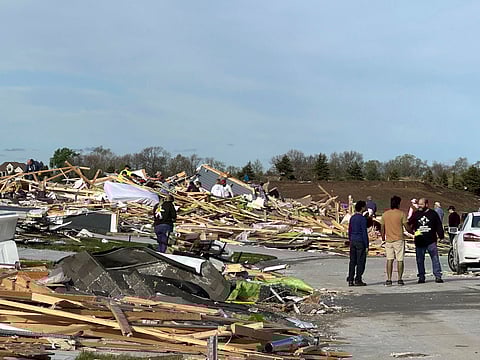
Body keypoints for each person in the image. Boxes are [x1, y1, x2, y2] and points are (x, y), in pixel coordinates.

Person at [408, 198, 445, 284]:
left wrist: (441, 235)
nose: (419, 206)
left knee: (435, 258)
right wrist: (411, 231)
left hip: (431, 240)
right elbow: (409, 223)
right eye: (419, 204)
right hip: (420, 240)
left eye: (421, 204)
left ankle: (438, 276)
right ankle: (421, 277)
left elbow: (438, 225)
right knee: (420, 260)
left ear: (426, 204)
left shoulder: (433, 214)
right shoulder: (416, 214)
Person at [380, 196, 410, 286]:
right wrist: (413, 231)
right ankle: (400, 279)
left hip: (389, 240)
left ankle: (389, 279)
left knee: (389, 259)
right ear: (398, 204)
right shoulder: (401, 214)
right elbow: (407, 227)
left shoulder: (385, 214)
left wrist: (383, 238)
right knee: (400, 260)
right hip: (399, 239)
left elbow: (382, 227)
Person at [347, 200, 369, 286]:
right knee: (360, 261)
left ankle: (350, 279)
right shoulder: (362, 219)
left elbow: (350, 230)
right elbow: (364, 232)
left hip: (353, 240)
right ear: (362, 208)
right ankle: (358, 279)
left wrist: (350, 239)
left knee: (352, 261)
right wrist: (367, 245)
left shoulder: (352, 218)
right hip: (360, 241)